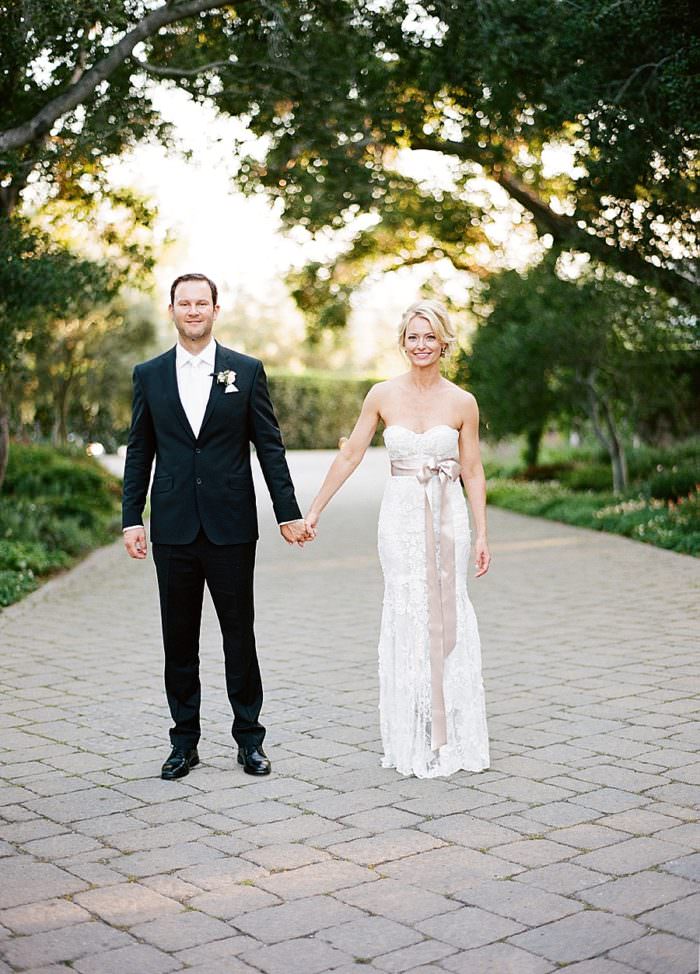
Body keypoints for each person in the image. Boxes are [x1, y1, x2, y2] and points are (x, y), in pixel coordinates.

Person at [122, 273, 312, 780]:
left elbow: (269, 446)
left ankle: (249, 740)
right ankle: (184, 743)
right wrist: (130, 520)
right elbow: (140, 450)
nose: (192, 311)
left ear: (214, 309)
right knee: (178, 639)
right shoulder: (149, 375)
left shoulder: (245, 372)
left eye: (200, 303)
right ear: (172, 310)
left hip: (231, 527)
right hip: (172, 529)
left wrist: (287, 511)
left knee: (238, 636)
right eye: (183, 303)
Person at [306, 299, 490, 778]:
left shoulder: (462, 401)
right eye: (413, 337)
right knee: (408, 609)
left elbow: (472, 468)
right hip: (401, 520)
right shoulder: (381, 395)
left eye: (430, 336)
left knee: (449, 608)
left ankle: (451, 731)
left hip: (449, 517)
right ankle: (413, 731)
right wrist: (315, 510)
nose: (422, 345)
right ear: (403, 342)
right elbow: (350, 455)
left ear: (445, 341)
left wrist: (482, 535)